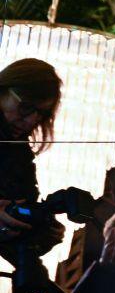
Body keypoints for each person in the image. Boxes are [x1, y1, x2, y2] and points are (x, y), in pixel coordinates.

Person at [0, 58, 63, 251]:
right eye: (26, 107)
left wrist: (41, 228)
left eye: (41, 114)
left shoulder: (19, 152)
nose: (31, 121)